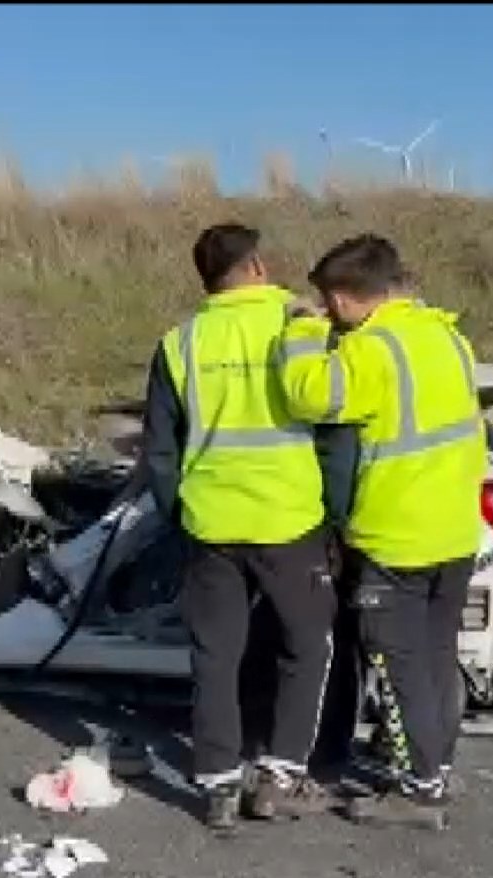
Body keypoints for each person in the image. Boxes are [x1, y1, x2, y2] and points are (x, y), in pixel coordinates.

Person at [278, 234, 487, 827]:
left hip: (397, 536)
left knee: (398, 668)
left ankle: (418, 791)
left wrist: (302, 331)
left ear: (342, 299)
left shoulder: (372, 349)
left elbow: (309, 396)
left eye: (328, 303)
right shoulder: (448, 337)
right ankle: (436, 767)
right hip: (454, 532)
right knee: (436, 657)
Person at [140, 222, 339, 832]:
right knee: (306, 646)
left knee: (215, 655)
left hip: (211, 521)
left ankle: (219, 786)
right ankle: (279, 777)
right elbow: (336, 426)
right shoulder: (299, 322)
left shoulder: (180, 343)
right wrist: (337, 512)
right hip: (289, 518)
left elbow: (159, 450)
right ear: (257, 265)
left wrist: (178, 512)